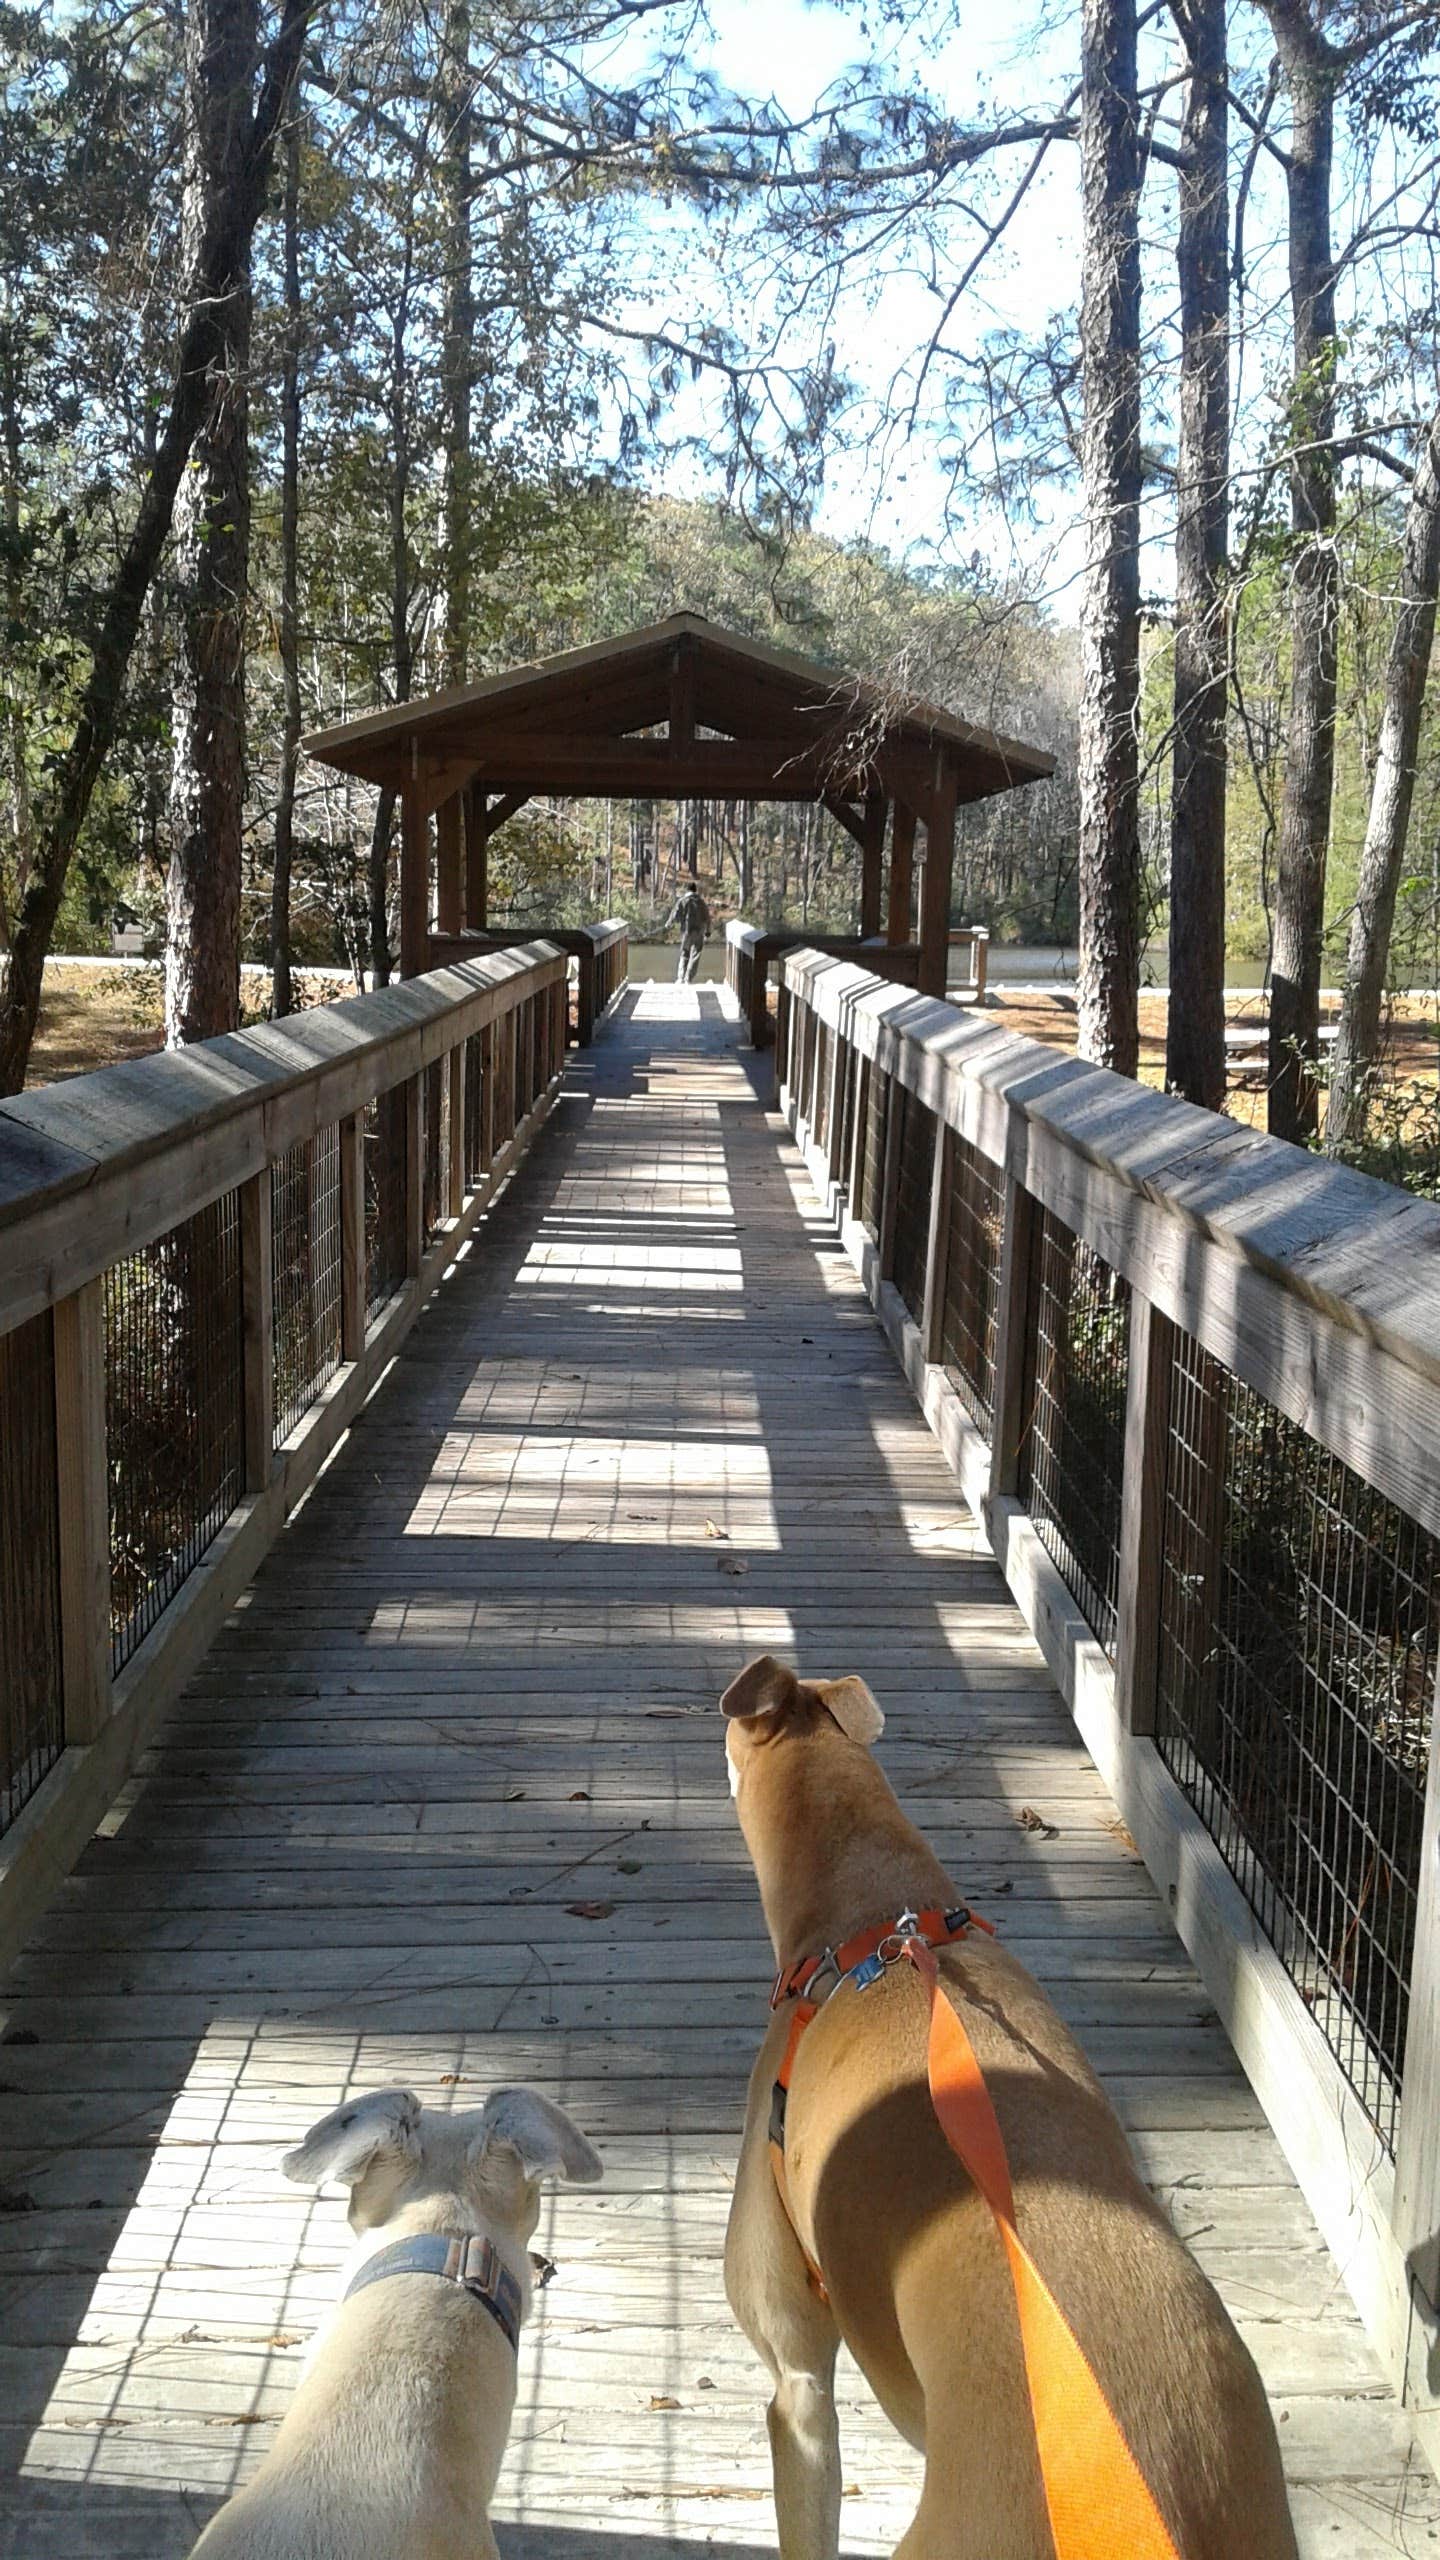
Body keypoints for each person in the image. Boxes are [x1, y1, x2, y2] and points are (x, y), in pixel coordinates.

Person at [667, 876, 711, 983]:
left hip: (687, 931)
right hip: (699, 932)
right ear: (695, 890)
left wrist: (669, 924)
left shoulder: (683, 901)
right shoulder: (701, 902)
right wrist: (708, 931)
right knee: (696, 954)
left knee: (684, 953)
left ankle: (681, 977)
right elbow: (707, 918)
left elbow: (675, 914)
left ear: (687, 890)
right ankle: (689, 978)